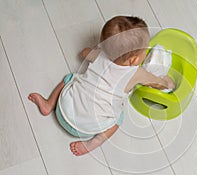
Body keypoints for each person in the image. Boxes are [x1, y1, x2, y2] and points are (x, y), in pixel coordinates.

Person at [28, 16, 175, 156]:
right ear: (134, 59)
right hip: (85, 129)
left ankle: (49, 104)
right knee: (118, 120)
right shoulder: (136, 73)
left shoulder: (100, 54)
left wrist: (95, 51)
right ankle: (92, 143)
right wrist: (168, 82)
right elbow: (157, 83)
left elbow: (84, 53)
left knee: (70, 78)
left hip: (63, 110)